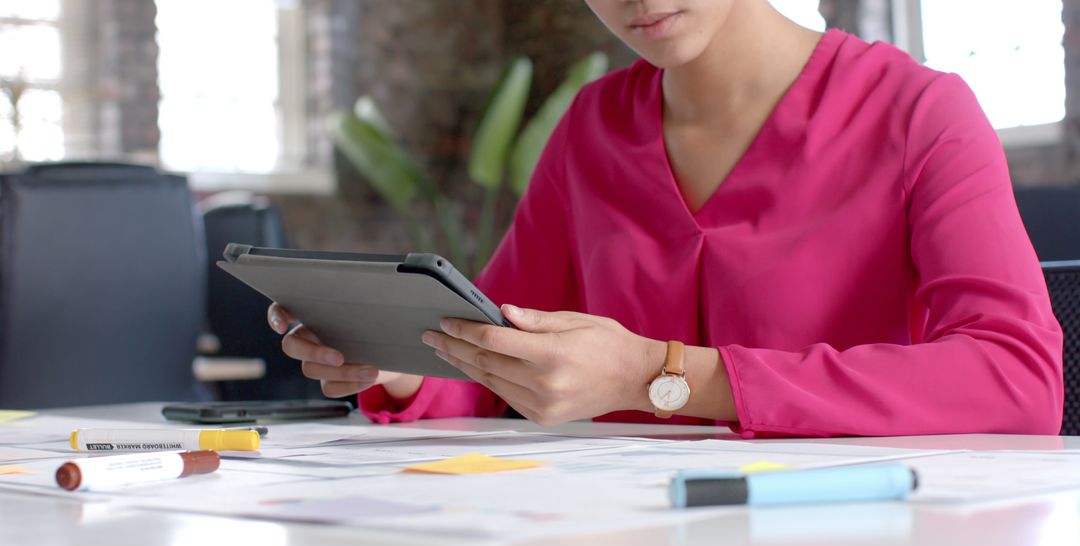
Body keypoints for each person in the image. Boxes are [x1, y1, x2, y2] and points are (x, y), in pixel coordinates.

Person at [268, 0, 1063, 437]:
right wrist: (407, 366)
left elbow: (1018, 379)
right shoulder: (590, 128)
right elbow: (497, 354)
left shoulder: (921, 112)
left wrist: (657, 376)